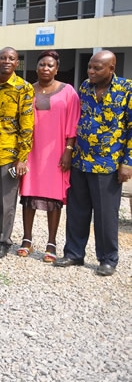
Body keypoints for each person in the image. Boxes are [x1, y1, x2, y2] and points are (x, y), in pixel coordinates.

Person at [55, 50, 132, 277]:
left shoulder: (126, 90)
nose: (91, 71)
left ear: (111, 68)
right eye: (90, 67)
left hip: (108, 164)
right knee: (77, 212)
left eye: (97, 68)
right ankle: (74, 253)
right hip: (81, 161)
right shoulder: (85, 87)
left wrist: (127, 162)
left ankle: (108, 259)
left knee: (105, 215)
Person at [18, 51, 79, 263]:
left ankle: (51, 243)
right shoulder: (27, 90)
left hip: (56, 153)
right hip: (31, 151)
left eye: (50, 65)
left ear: (56, 68)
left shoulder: (68, 91)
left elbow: (73, 122)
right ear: (36, 68)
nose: (46, 68)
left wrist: (68, 150)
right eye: (42, 64)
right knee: (28, 195)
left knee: (53, 198)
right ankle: (26, 239)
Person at [0, 47, 35, 260]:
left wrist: (21, 157)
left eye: (11, 59)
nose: (6, 61)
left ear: (17, 63)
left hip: (9, 153)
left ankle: (3, 241)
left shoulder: (23, 88)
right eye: (3, 58)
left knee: (6, 202)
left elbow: (27, 125)